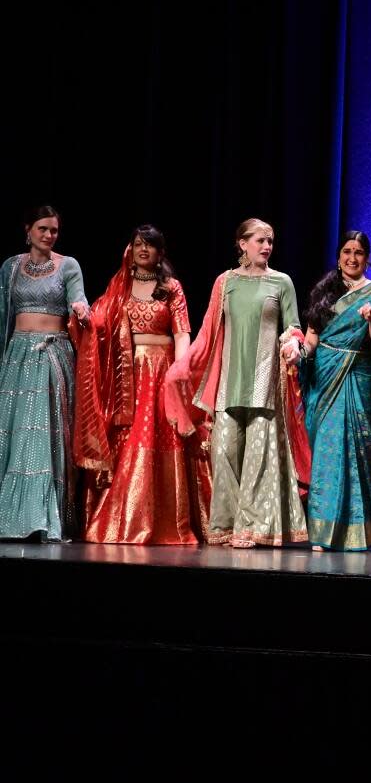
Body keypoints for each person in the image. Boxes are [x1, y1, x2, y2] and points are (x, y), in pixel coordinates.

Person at [164, 218, 309, 548]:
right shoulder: (225, 282)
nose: (267, 246)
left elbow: (295, 327)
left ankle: (252, 528)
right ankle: (225, 526)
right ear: (242, 244)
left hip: (264, 385)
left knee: (258, 460)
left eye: (270, 240)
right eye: (260, 240)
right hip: (228, 384)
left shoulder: (281, 282)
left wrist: (292, 344)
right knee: (225, 455)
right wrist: (182, 369)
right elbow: (208, 333)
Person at [74, 225, 211, 543]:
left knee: (165, 436)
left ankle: (165, 523)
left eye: (150, 245)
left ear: (160, 252)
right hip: (127, 377)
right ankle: (123, 522)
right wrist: (83, 319)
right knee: (131, 438)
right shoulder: (119, 287)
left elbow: (181, 333)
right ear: (130, 250)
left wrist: (180, 372)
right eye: (138, 244)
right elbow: (100, 324)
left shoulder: (171, 288)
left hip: (163, 371)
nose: (144, 250)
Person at [285, 231, 371, 551]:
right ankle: (321, 532)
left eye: (359, 252)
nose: (352, 258)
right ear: (338, 257)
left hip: (357, 377)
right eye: (347, 251)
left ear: (367, 258)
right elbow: (311, 341)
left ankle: (356, 531)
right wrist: (296, 351)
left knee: (356, 454)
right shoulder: (324, 293)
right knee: (326, 456)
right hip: (324, 379)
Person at [0, 205, 89, 540]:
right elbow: (3, 314)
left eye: (53, 230)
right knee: (12, 432)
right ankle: (9, 517)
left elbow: (79, 300)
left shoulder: (68, 266)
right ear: (28, 230)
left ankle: (42, 519)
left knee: (41, 434)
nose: (49, 235)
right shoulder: (10, 267)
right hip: (17, 356)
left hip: (52, 353)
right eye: (43, 229)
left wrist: (81, 308)